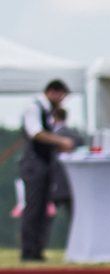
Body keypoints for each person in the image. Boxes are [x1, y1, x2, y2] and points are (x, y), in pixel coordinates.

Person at [15, 79, 77, 261]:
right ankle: (28, 251)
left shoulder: (46, 110)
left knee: (43, 209)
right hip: (34, 164)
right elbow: (36, 133)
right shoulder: (34, 107)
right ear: (53, 92)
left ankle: (37, 250)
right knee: (33, 208)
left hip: (44, 164)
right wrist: (60, 141)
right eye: (61, 97)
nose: (61, 102)